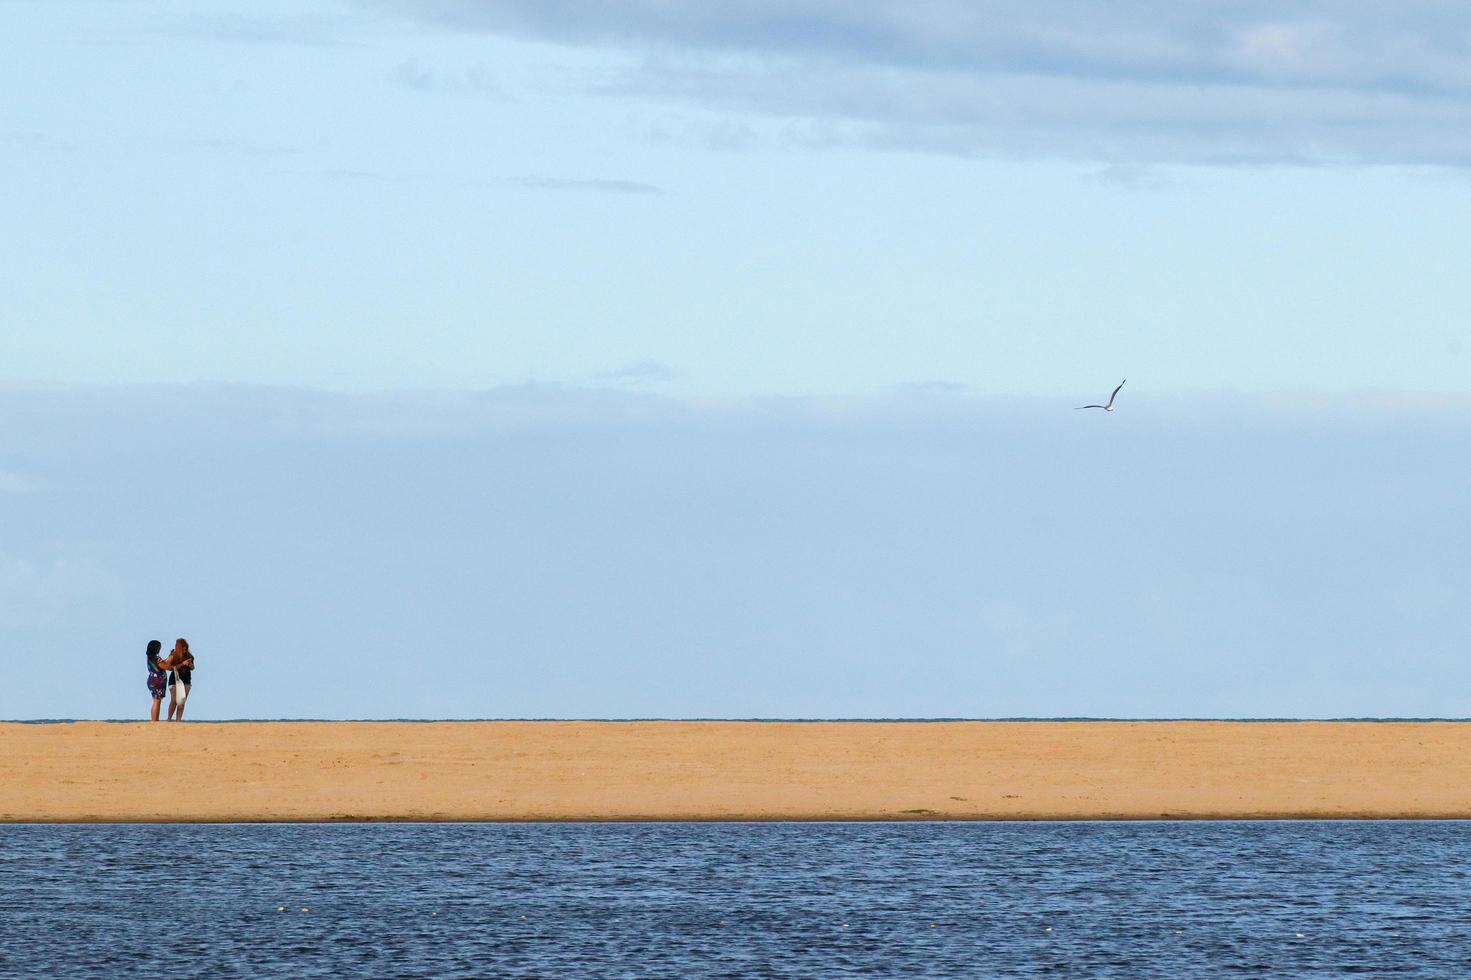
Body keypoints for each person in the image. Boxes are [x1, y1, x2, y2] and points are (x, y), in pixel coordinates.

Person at [157, 637, 195, 721]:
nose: (185, 650)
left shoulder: (189, 656)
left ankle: (178, 720)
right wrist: (182, 664)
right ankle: (169, 719)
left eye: (186, 648)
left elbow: (193, 668)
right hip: (175, 679)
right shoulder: (173, 656)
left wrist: (191, 666)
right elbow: (169, 668)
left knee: (181, 702)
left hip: (186, 680)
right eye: (184, 648)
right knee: (174, 700)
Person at [145, 640, 168, 722]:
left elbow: (162, 664)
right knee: (157, 702)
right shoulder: (156, 658)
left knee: (155, 701)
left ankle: (154, 721)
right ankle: (155, 721)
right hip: (158, 681)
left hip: (152, 680)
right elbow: (166, 667)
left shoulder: (150, 657)